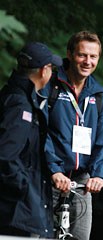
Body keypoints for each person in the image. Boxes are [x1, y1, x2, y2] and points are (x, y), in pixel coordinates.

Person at [43, 30, 103, 240]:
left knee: (81, 236)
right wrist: (53, 170)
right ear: (70, 54)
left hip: (82, 181)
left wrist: (99, 175)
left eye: (93, 57)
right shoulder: (50, 86)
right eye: (82, 55)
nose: (87, 61)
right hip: (49, 177)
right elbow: (40, 132)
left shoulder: (101, 95)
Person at [0, 42, 62, 238]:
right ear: (44, 71)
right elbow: (5, 156)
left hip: (18, 212)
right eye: (51, 68)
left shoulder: (15, 96)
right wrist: (26, 188)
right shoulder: (20, 105)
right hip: (15, 214)